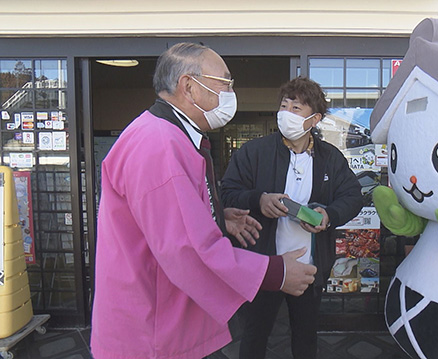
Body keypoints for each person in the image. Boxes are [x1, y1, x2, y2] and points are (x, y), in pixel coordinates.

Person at [90, 43, 317, 359]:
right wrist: (275, 273)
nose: (230, 92)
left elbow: (166, 219)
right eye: (224, 82)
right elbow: (186, 248)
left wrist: (219, 218)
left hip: (156, 320)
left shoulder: (164, 135)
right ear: (189, 86)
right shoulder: (160, 144)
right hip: (151, 332)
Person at [221, 76, 363, 358]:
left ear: (314, 119)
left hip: (309, 268)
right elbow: (227, 192)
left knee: (305, 337)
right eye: (284, 106)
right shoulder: (254, 152)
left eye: (296, 108)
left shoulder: (330, 158)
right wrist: (258, 200)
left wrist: (328, 214)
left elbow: (353, 196)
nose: (286, 113)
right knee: (255, 335)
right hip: (264, 264)